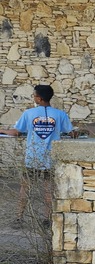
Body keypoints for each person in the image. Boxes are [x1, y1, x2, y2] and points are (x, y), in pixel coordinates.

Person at [1, 84, 75, 223]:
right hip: (51, 158)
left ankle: (19, 217)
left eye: (34, 95)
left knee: (25, 188)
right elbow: (70, 132)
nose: (33, 98)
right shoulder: (60, 114)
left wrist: (3, 130)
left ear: (39, 99)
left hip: (32, 157)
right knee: (49, 190)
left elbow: (17, 132)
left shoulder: (29, 114)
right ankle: (47, 219)